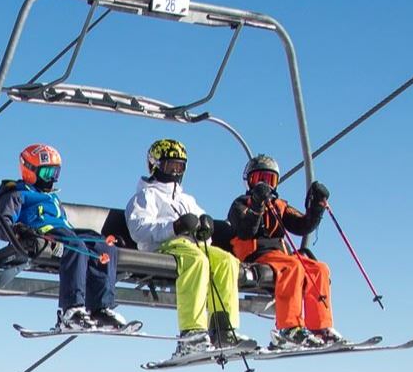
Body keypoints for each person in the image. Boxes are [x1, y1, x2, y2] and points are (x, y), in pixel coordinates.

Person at [123, 136, 253, 359]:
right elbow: (139, 229)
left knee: (226, 261)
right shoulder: (145, 196)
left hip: (192, 246)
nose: (174, 171)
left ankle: (223, 329)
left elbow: (204, 233)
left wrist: (205, 230)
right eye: (169, 165)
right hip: (163, 248)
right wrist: (175, 227)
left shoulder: (187, 199)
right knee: (196, 260)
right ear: (155, 164)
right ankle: (192, 333)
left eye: (179, 166)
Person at [0, 143, 126, 332]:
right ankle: (71, 310)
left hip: (65, 232)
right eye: (47, 173)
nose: (51, 180)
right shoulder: (17, 193)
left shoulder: (51, 197)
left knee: (104, 246)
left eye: (55, 174)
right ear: (29, 170)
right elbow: (1, 223)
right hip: (43, 234)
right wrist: (19, 231)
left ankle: (100, 309)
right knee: (74, 245)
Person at [215, 155, 346, 349]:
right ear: (250, 181)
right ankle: (289, 327)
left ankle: (320, 327)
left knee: (319, 269)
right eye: (260, 179)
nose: (266, 185)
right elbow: (245, 231)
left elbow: (302, 225)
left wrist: (316, 207)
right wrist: (257, 205)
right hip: (254, 255)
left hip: (279, 256)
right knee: (292, 266)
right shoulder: (241, 204)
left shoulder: (279, 206)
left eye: (270, 180)